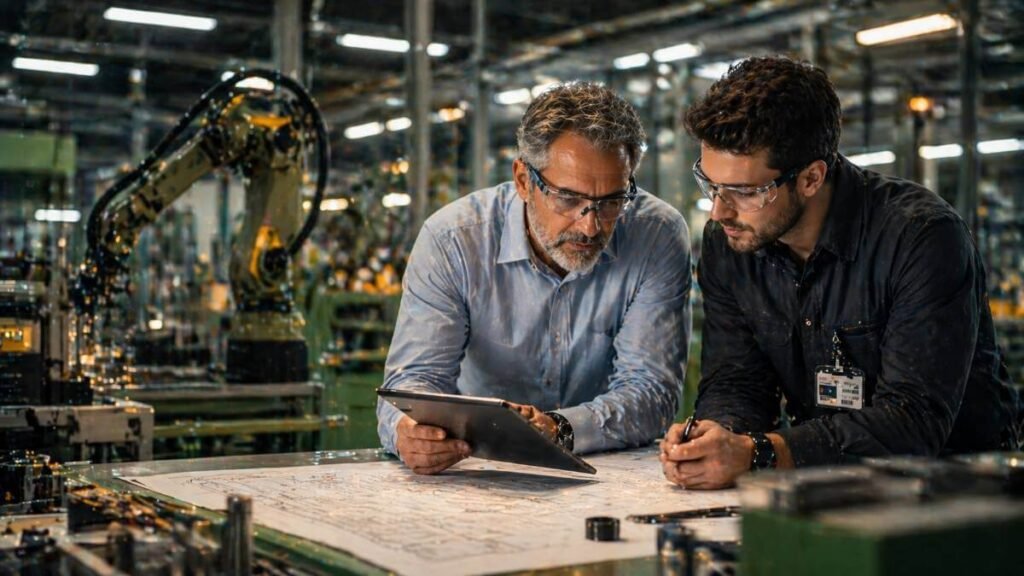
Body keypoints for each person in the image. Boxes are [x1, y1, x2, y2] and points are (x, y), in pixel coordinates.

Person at [661, 55, 1021, 489]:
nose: (719, 211)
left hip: (959, 493)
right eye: (710, 184)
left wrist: (759, 453)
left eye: (745, 191)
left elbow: (913, 421)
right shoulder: (730, 245)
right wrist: (716, 436)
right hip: (824, 484)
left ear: (811, 178)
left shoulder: (921, 238)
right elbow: (737, 378)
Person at [377, 82, 692, 474]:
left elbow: (651, 392)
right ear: (524, 181)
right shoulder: (453, 241)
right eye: (569, 198)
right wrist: (409, 432)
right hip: (478, 467)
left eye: (612, 201)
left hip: (607, 467)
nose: (590, 226)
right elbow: (412, 385)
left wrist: (558, 428)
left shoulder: (656, 235)